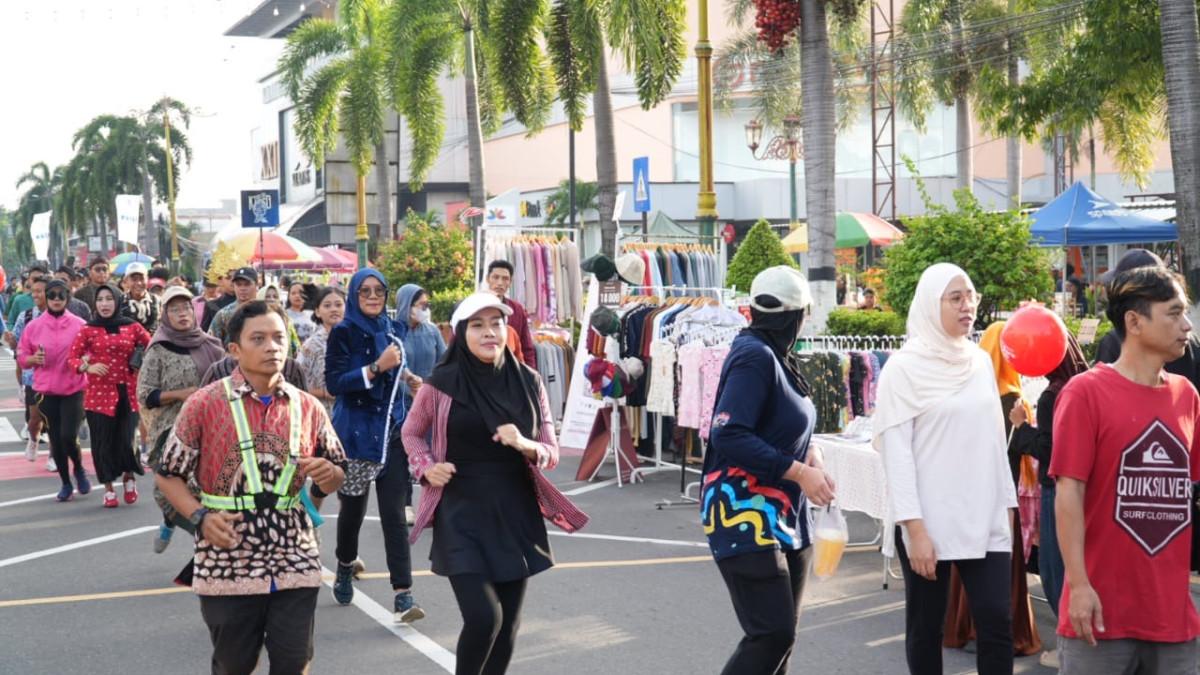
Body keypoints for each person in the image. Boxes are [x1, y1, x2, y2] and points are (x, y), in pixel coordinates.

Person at [402, 292, 588, 675]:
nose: (489, 332)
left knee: (508, 627)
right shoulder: (440, 384)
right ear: (460, 332)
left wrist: (525, 444)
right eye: (477, 325)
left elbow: (551, 450)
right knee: (485, 618)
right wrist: (426, 467)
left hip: (514, 509)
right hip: (460, 509)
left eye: (496, 323)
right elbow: (412, 433)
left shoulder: (529, 381)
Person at [155, 300, 346, 674]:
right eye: (258, 338)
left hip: (296, 552)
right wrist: (200, 517)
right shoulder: (204, 404)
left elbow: (336, 471)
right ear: (235, 350)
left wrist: (329, 474)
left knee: (294, 660)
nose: (271, 346)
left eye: (278, 338)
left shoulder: (308, 407)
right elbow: (167, 473)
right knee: (234, 664)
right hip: (228, 553)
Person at [1051, 265, 1200, 673]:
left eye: (1184, 313)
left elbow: (1189, 491)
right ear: (1134, 322)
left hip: (1172, 618)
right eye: (1173, 313)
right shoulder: (1085, 393)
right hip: (1099, 616)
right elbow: (1069, 493)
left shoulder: (1186, 396)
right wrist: (1078, 585)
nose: (1186, 325)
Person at [873, 263, 1017, 675]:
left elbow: (994, 440)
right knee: (926, 627)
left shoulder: (978, 362)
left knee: (996, 622)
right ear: (930, 304)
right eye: (955, 298)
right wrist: (915, 530)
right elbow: (897, 456)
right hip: (928, 521)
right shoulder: (903, 369)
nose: (967, 306)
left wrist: (1006, 504)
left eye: (970, 296)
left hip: (983, 513)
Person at [701, 266, 837, 675]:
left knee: (781, 644)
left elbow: (776, 423)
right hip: (743, 514)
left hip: (786, 518)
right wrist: (798, 471)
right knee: (771, 635)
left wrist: (809, 451)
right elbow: (728, 433)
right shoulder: (755, 355)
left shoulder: (774, 355)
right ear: (796, 315)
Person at [325, 270, 425, 622]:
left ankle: (403, 595)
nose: (372, 296)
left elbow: (399, 370)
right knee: (352, 512)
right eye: (364, 290)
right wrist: (374, 368)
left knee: (395, 517)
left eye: (378, 290)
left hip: (392, 433)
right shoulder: (343, 331)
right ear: (354, 295)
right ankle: (343, 565)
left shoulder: (395, 329)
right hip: (355, 438)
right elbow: (335, 384)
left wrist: (409, 380)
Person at [940, 322, 1042, 657]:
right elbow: (1012, 452)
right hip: (1002, 496)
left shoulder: (969, 392)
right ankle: (1004, 634)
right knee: (1000, 573)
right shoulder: (1012, 399)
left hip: (968, 493)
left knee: (965, 564)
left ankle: (960, 626)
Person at [1009, 332, 1088, 670]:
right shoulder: (1087, 381)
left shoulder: (1052, 395)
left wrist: (1021, 427)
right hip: (1086, 488)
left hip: (1058, 489)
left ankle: (1070, 649)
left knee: (1055, 570)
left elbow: (1048, 450)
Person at [138, 285, 226, 553]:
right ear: (165, 315)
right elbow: (145, 394)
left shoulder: (211, 344)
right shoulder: (159, 349)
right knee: (168, 488)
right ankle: (198, 529)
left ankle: (209, 536)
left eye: (186, 307)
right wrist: (180, 395)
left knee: (207, 487)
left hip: (210, 426)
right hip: (171, 428)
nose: (182, 314)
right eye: (174, 309)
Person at [68, 284, 152, 508]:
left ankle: (129, 477)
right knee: (102, 444)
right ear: (95, 303)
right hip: (98, 395)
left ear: (117, 301)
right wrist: (87, 368)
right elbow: (72, 358)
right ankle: (108, 488)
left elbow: (153, 347)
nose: (104, 304)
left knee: (126, 439)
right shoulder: (87, 329)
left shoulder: (133, 327)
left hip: (128, 392)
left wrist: (140, 359)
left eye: (109, 299)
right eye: (100, 299)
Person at [18, 279, 90, 502]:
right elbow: (21, 356)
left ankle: (78, 468)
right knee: (56, 440)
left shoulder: (79, 324)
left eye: (61, 295)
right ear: (46, 298)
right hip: (46, 391)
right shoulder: (34, 326)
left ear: (68, 297)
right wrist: (31, 359)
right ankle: (66, 483)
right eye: (52, 295)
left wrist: (86, 359)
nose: (56, 299)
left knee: (69, 435)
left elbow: (91, 350)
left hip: (74, 388)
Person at [12, 276, 48, 466]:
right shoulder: (25, 316)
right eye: (33, 291)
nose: (36, 295)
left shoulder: (61, 316)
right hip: (32, 377)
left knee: (55, 420)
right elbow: (17, 345)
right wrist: (12, 341)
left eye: (40, 291)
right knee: (35, 419)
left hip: (55, 377)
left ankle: (54, 455)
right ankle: (34, 440)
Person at [298, 287, 345, 415]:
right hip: (320, 413)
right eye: (327, 306)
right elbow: (297, 383)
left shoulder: (355, 340)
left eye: (338, 305)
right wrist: (324, 392)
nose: (334, 309)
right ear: (318, 312)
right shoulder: (311, 346)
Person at [485, 260, 537, 368]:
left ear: (510, 282)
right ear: (487, 279)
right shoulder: (474, 306)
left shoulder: (516, 309)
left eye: (505, 279)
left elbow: (526, 346)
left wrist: (530, 374)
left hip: (510, 369)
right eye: (495, 277)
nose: (500, 283)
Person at [208, 267, 259, 346]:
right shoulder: (223, 315)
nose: (242, 289)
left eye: (247, 284)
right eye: (238, 285)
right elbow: (211, 344)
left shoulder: (265, 312)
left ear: (256, 285)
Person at [200, 268, 236, 333]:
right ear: (220, 281)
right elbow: (205, 332)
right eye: (228, 277)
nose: (232, 280)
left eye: (236, 277)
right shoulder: (212, 305)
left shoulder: (249, 303)